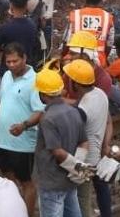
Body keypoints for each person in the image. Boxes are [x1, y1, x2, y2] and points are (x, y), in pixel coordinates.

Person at [0, 42, 44, 215]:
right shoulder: (6, 76)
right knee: (7, 180)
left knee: (26, 182)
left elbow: (39, 112)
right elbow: (0, 101)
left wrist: (24, 125)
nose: (11, 65)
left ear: (24, 58)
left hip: (23, 144)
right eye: (8, 62)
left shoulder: (35, 81)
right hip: (2, 140)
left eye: (15, 61)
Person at [33, 68, 88, 217]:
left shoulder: (48, 118)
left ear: (42, 94)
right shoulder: (74, 111)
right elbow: (84, 142)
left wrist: (76, 168)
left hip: (52, 182)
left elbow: (57, 151)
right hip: (69, 181)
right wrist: (78, 167)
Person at [63, 59, 113, 217]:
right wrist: (105, 145)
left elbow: (74, 135)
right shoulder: (100, 94)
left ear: (75, 83)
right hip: (97, 154)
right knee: (102, 189)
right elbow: (108, 121)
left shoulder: (84, 109)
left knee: (82, 198)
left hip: (85, 160)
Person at [0, 0, 42, 73]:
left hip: (8, 70)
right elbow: (37, 46)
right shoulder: (32, 26)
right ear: (26, 6)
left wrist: (6, 49)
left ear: (11, 6)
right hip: (27, 69)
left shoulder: (5, 27)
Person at [65, 0, 115, 66]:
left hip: (75, 59)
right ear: (100, 0)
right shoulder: (108, 17)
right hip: (98, 61)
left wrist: (63, 57)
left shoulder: (75, 15)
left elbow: (67, 40)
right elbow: (110, 43)